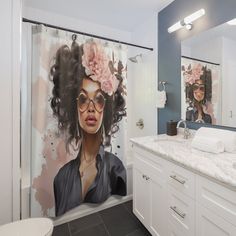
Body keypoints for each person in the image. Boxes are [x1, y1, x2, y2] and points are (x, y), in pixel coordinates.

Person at [50, 38, 127, 216]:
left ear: (106, 109)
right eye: (83, 99)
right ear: (74, 107)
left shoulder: (117, 169)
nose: (91, 107)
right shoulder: (61, 178)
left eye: (99, 99)